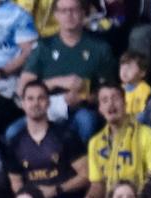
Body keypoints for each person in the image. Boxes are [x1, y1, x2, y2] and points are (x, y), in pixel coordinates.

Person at [16, 0, 114, 143]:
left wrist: (83, 98)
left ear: (83, 13)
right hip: (46, 109)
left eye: (74, 10)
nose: (69, 15)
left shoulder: (100, 47)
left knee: (86, 120)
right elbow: (23, 88)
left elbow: (110, 90)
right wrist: (57, 82)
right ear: (56, 15)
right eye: (63, 11)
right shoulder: (44, 46)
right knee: (12, 132)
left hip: (81, 110)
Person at [6, 80, 89, 198]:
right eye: (30, 99)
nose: (35, 103)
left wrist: (56, 190)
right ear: (23, 104)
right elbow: (16, 183)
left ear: (48, 102)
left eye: (41, 98)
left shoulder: (66, 136)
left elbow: (86, 175)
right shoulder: (15, 142)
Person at [82, 83, 151, 198]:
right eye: (105, 100)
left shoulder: (148, 136)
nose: (110, 104)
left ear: (125, 102)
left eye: (115, 98)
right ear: (100, 108)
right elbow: (98, 184)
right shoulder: (95, 143)